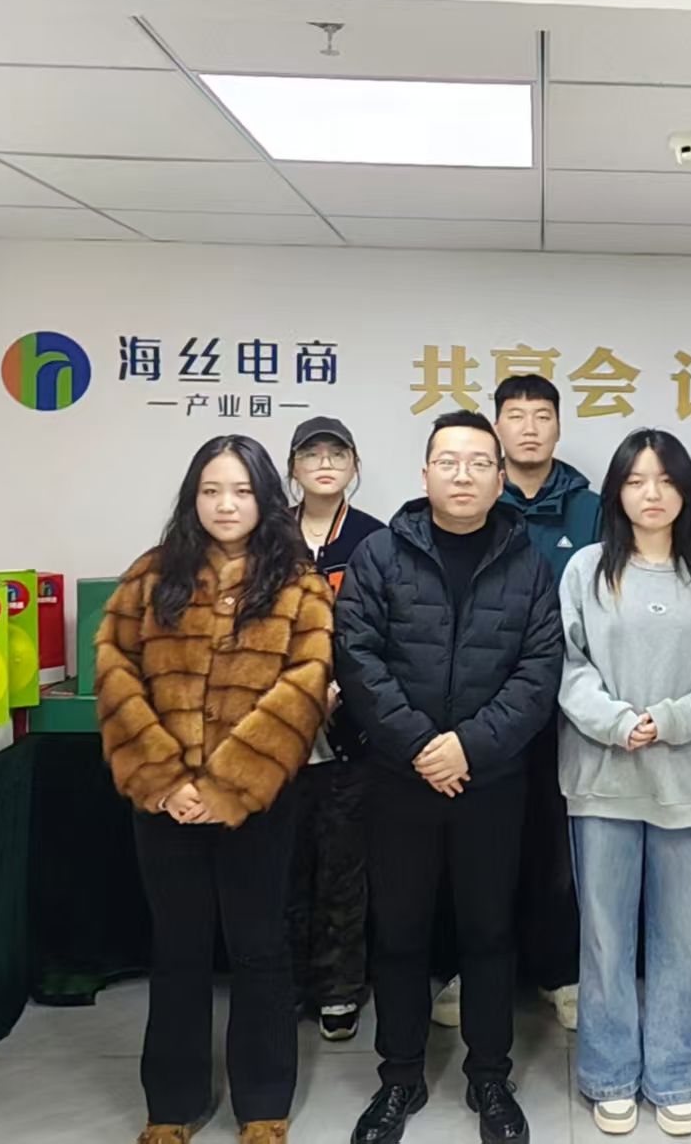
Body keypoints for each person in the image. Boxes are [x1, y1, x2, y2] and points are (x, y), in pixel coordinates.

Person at [334, 410, 564, 1144]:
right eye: (448, 461)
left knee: (489, 932)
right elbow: (357, 657)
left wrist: (468, 747)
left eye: (477, 463)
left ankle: (489, 1076)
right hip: (399, 780)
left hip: (491, 782)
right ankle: (398, 1078)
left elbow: (540, 670)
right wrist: (421, 747)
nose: (462, 475)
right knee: (399, 932)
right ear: (425, 472)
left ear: (500, 479)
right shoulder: (379, 554)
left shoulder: (528, 563)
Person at [97, 434, 333, 1144]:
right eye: (211, 490)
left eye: (241, 491)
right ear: (191, 498)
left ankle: (263, 1101)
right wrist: (166, 779)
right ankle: (171, 1103)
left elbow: (306, 686)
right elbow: (115, 673)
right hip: (163, 802)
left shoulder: (298, 583)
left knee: (260, 947)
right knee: (178, 948)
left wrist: (229, 783)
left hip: (257, 803)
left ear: (266, 499)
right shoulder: (150, 577)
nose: (226, 505)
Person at [558, 430, 691, 1138]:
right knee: (605, 935)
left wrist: (669, 720)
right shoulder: (586, 569)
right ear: (617, 492)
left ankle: (673, 1073)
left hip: (684, 777)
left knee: (681, 935)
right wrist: (615, 722)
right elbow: (568, 664)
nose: (652, 493)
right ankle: (608, 1072)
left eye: (665, 479)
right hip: (601, 774)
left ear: (687, 490)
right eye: (636, 480)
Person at [459, 372, 602, 1033]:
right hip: (483, 709)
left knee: (556, 847)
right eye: (515, 415)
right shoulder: (474, 500)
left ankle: (558, 971)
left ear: (559, 426)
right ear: (497, 426)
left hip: (566, 708)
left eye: (542, 415)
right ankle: (466, 969)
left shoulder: (591, 508)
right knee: (477, 847)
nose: (529, 428)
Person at [284, 417, 385, 1043]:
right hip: (276, 731)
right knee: (283, 865)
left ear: (354, 464)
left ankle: (340, 987)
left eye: (336, 453)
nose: (324, 463)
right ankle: (288, 982)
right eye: (311, 454)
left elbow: (384, 628)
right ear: (293, 468)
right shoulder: (268, 536)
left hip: (350, 730)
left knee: (343, 867)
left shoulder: (375, 539)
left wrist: (343, 684)